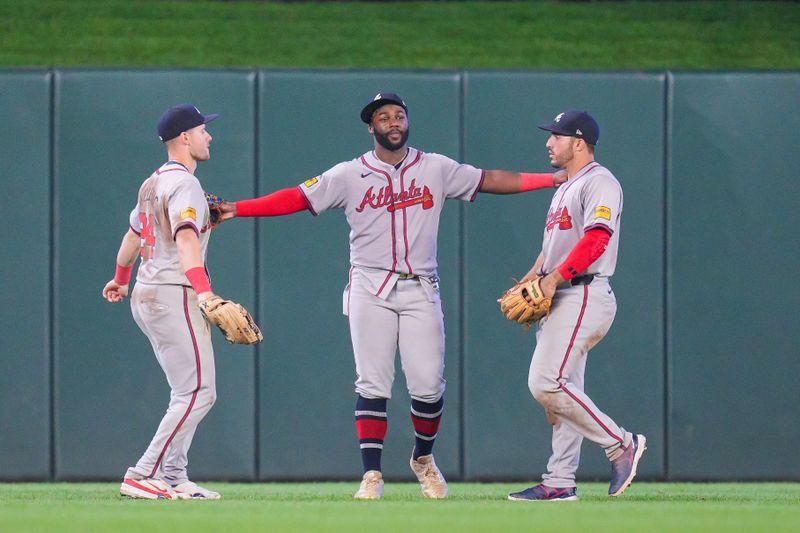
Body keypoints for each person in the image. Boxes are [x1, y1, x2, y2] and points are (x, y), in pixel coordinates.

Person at [216, 92, 565, 500]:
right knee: (372, 381)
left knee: (428, 385)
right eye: (384, 117)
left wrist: (551, 179)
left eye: (399, 115)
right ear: (371, 127)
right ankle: (372, 475)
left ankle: (422, 459)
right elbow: (297, 197)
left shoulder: (435, 167)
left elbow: (488, 179)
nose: (394, 122)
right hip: (370, 285)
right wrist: (237, 208)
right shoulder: (349, 174)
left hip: (421, 286)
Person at [507, 110, 646, 502]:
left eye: (557, 136)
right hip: (562, 294)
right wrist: (535, 273)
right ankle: (560, 480)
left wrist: (551, 280)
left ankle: (621, 444)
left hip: (582, 293)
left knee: (545, 383)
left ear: (578, 142)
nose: (549, 143)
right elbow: (555, 244)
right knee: (564, 392)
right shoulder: (566, 187)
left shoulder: (601, 182)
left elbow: (597, 240)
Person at [101, 103, 226, 500]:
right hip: (174, 293)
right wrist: (204, 291)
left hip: (147, 292)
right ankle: (144, 471)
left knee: (185, 391)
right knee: (199, 392)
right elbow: (186, 239)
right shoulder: (185, 184)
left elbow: (133, 236)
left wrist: (120, 280)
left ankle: (174, 474)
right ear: (185, 138)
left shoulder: (152, 182)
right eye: (203, 129)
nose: (209, 135)